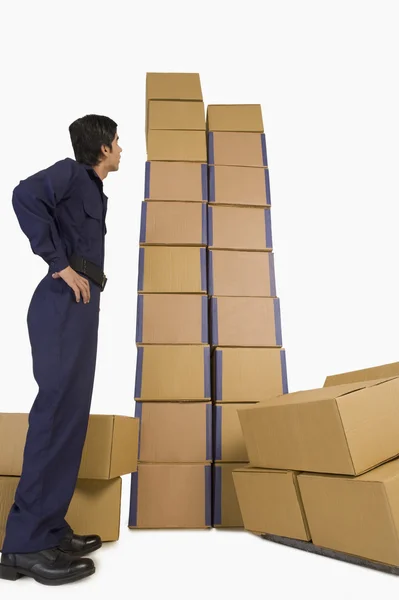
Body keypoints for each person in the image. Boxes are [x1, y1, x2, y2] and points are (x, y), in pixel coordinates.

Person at [0, 115, 122, 586]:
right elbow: (22, 196)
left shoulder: (91, 188)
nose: (121, 149)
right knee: (54, 414)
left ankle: (49, 527)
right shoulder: (71, 174)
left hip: (82, 305)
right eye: (118, 141)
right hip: (62, 302)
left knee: (71, 417)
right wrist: (58, 264)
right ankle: (24, 545)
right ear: (103, 148)